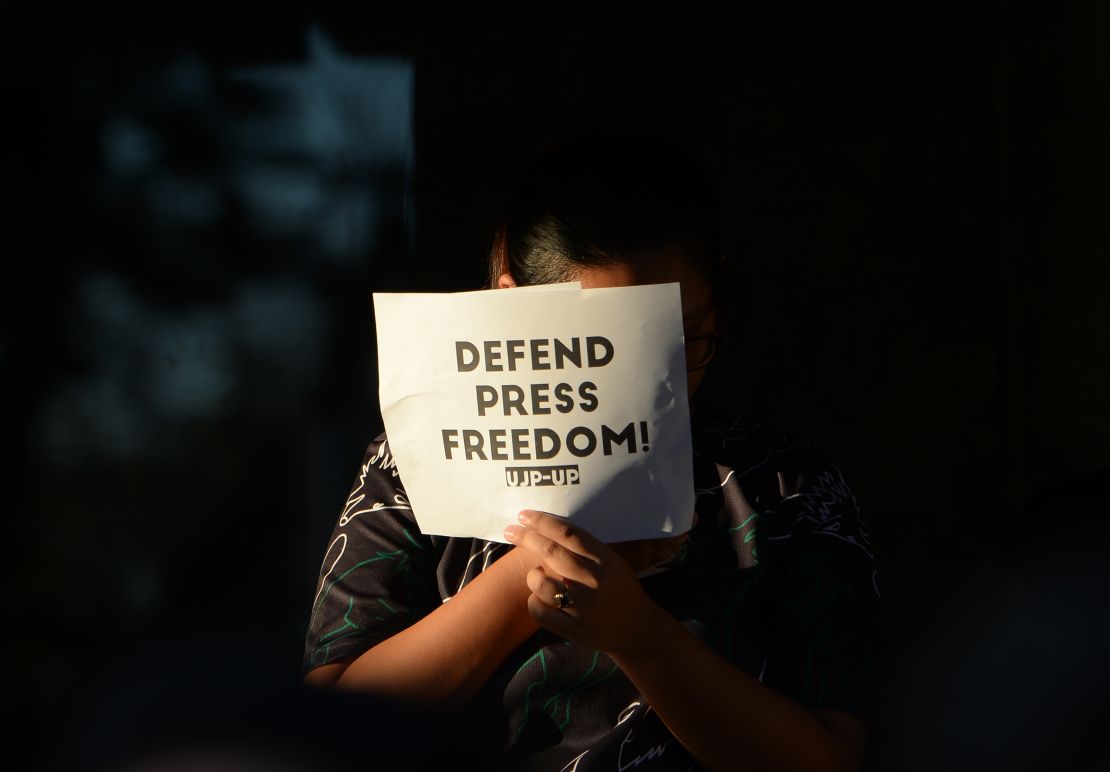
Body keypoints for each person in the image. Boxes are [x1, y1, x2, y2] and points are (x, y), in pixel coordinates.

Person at [302, 132, 882, 771]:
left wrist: (642, 637)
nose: (651, 379)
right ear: (511, 304)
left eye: (683, 341)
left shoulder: (782, 486)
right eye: (605, 349)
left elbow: (828, 757)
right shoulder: (419, 463)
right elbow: (329, 726)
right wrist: (532, 572)